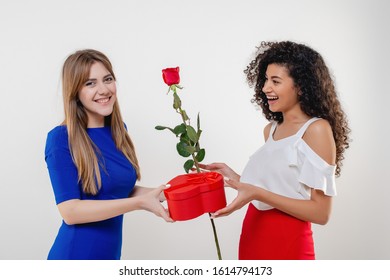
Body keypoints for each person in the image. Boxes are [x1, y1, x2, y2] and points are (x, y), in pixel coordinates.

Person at [200, 41, 350, 260]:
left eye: (275, 81)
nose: (265, 88)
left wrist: (257, 192)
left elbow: (321, 213)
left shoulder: (316, 130)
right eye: (266, 79)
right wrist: (236, 179)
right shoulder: (270, 130)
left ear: (300, 86)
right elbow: (280, 189)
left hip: (288, 241)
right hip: (253, 234)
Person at [44, 49, 173, 260]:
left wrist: (179, 190)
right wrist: (140, 204)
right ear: (75, 92)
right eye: (90, 83)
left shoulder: (118, 130)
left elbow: (119, 191)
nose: (103, 89)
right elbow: (70, 212)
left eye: (108, 79)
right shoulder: (60, 138)